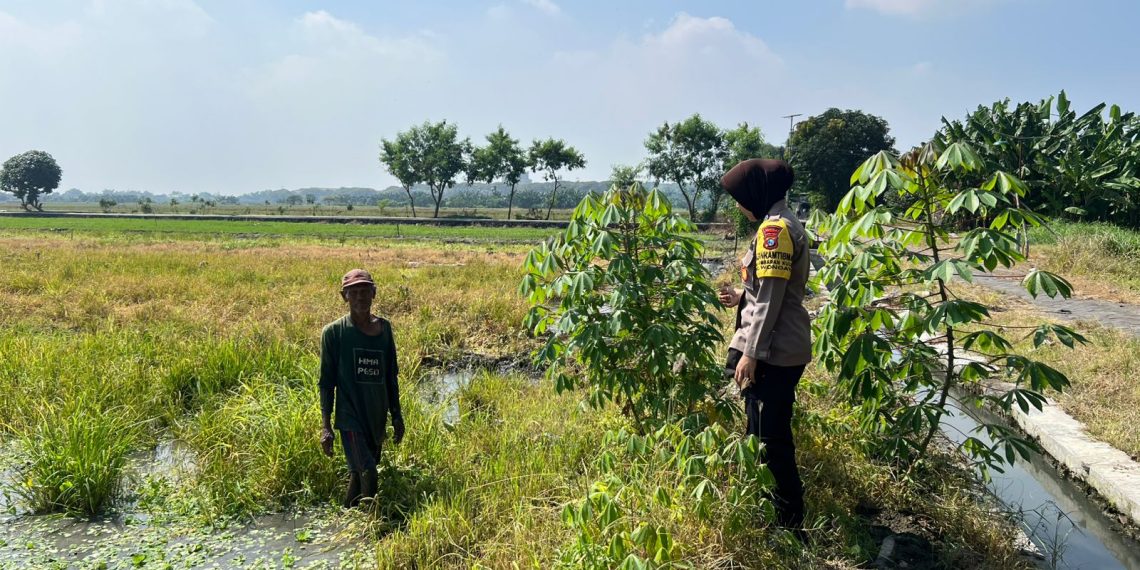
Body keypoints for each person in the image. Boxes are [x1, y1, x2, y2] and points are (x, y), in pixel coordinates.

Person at [718, 159, 812, 531]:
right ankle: (765, 506)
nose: (739, 206)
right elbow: (769, 289)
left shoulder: (775, 230)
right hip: (775, 345)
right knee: (758, 431)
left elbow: (773, 299)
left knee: (772, 440)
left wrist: (750, 355)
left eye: (740, 198)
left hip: (773, 351)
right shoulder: (779, 223)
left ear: (757, 194)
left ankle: (790, 524)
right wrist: (744, 294)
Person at [319, 268, 405, 508]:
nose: (360, 297)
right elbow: (326, 383)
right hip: (350, 418)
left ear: (374, 293)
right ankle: (370, 526)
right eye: (354, 292)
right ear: (344, 296)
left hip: (375, 416)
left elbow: (391, 377)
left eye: (365, 291)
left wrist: (396, 416)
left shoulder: (385, 330)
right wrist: (326, 427)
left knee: (358, 474)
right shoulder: (334, 333)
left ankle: (347, 515)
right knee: (369, 471)